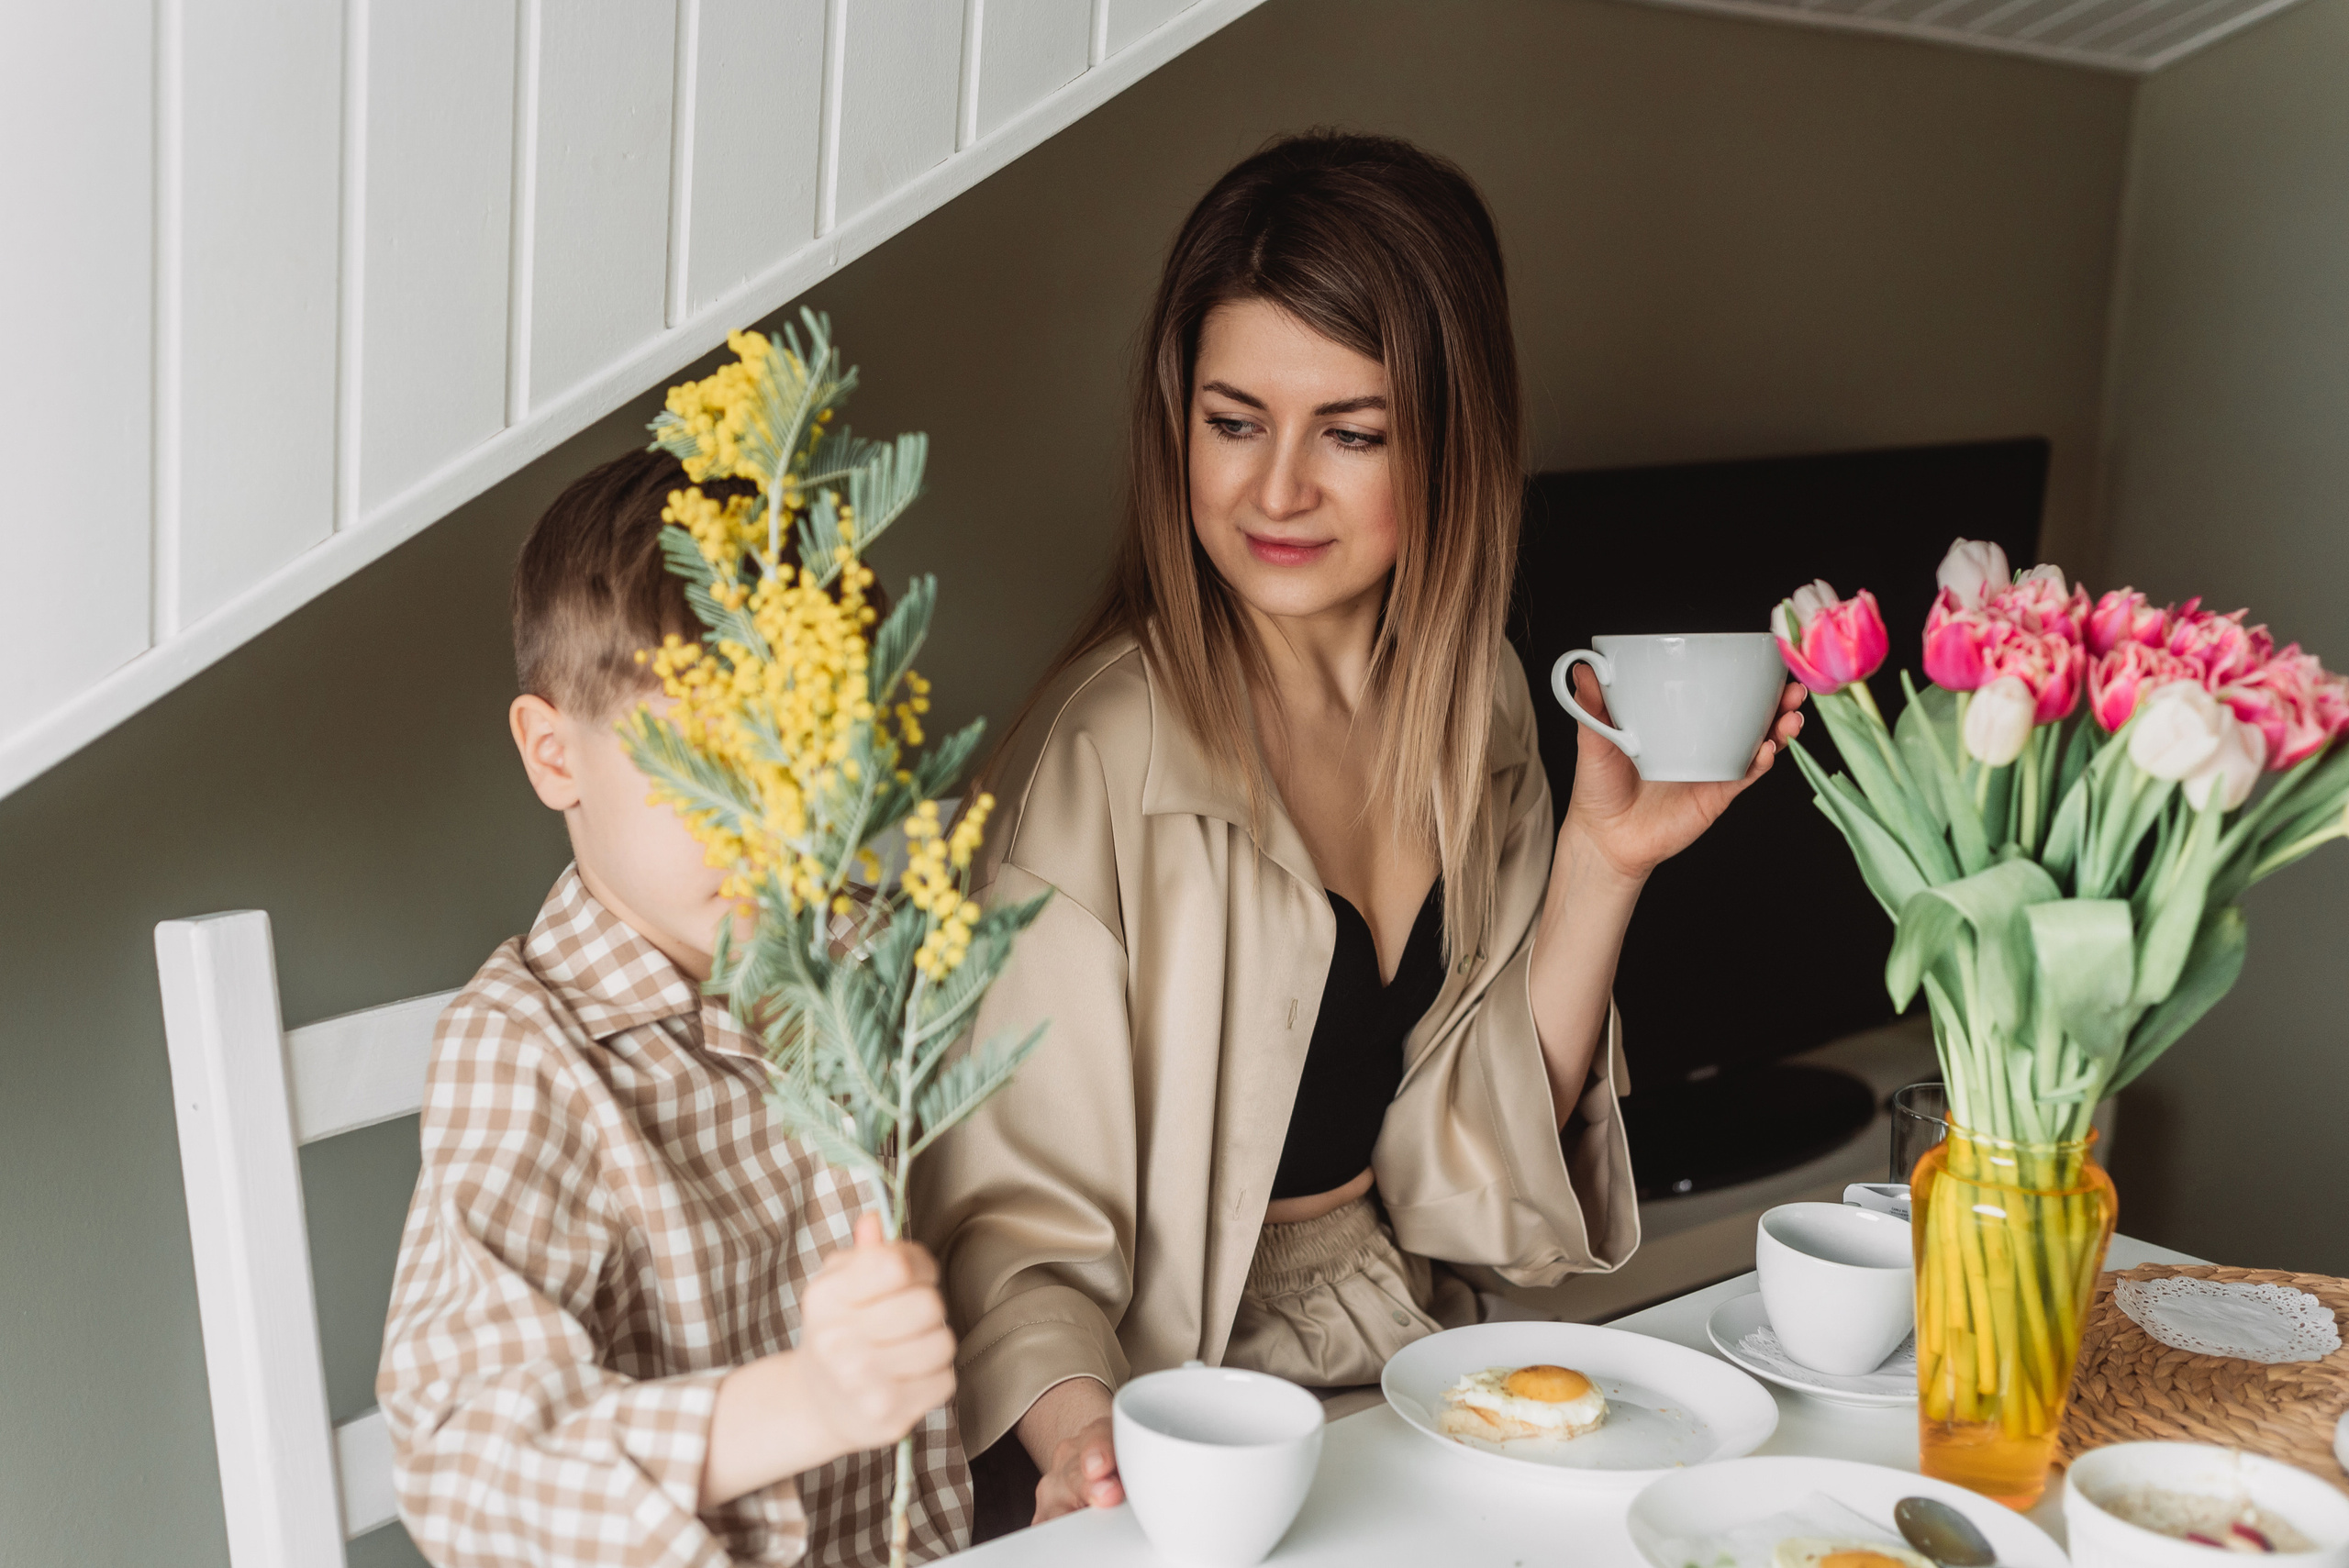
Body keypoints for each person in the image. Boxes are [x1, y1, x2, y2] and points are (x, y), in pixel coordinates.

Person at [912, 131, 1805, 1533]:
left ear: (1454, 439)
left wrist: (1602, 865)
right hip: (1173, 1410)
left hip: (1404, 1358)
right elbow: (1011, 1236)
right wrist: (1096, 1453)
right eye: (1233, 420)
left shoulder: (1486, 709)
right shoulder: (1104, 757)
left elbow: (1473, 1196)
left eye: (1352, 431)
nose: (1276, 490)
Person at [376, 451, 970, 1566]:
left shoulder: (865, 947)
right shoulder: (528, 1053)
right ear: (557, 755)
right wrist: (809, 1401)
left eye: (806, 754)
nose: (771, 822)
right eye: (707, 761)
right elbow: (467, 1464)